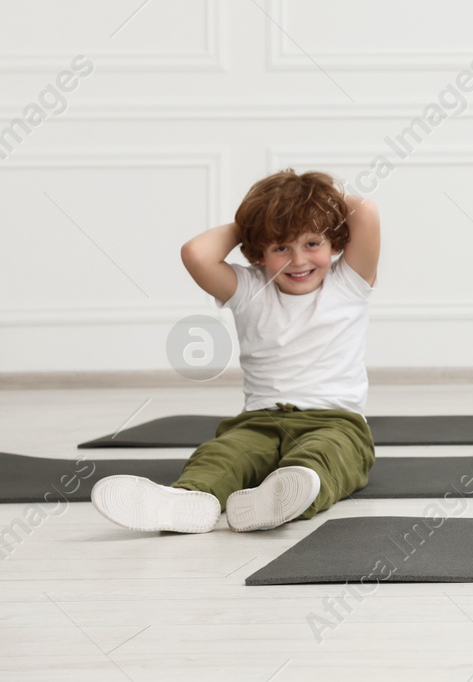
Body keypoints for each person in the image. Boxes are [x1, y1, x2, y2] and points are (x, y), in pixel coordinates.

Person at [92, 170, 380, 533]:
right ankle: (185, 501)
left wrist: (302, 211)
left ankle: (281, 497)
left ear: (335, 243)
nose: (298, 260)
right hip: (258, 420)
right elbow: (195, 253)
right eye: (280, 247)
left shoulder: (349, 284)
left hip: (336, 422)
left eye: (312, 243)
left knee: (325, 456)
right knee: (223, 454)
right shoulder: (248, 289)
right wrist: (259, 222)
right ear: (259, 252)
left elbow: (364, 211)